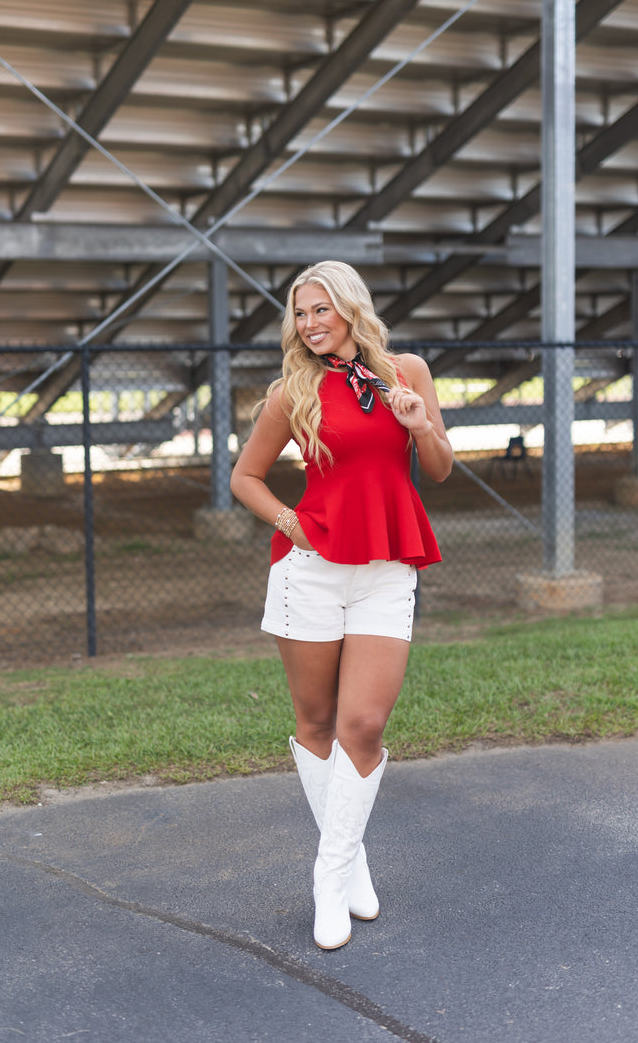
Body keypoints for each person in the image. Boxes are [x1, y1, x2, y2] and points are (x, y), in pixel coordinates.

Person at [230, 259, 453, 950]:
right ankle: (349, 861)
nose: (310, 323)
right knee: (318, 719)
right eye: (301, 313)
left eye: (320, 309)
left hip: (388, 566)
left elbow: (440, 468)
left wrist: (416, 424)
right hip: (313, 569)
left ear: (350, 307)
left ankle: (328, 873)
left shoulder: (406, 370)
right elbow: (246, 476)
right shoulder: (292, 389)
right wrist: (290, 522)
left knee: (363, 721)